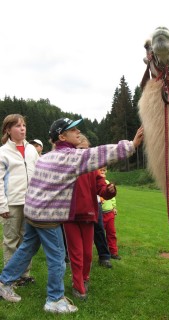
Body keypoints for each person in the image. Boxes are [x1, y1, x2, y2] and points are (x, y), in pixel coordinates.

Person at [0, 117, 143, 313]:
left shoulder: (47, 156)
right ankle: (54, 299)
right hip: (46, 217)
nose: (78, 132)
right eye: (73, 129)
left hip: (32, 212)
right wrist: (132, 145)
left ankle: (3, 282)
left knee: (26, 249)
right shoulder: (70, 158)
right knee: (58, 257)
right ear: (62, 136)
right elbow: (99, 154)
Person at [63, 134, 116, 300]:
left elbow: (102, 189)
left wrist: (109, 191)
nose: (83, 153)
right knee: (76, 253)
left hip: (89, 215)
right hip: (70, 217)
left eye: (86, 150)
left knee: (87, 254)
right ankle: (77, 285)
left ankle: (84, 278)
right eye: (80, 149)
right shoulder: (66, 166)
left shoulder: (93, 168)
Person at [0, 114, 39, 286]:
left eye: (23, 125)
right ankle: (10, 277)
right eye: (17, 126)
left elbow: (38, 173)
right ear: (8, 130)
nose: (22, 128)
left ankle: (24, 274)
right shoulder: (2, 152)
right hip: (11, 203)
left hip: (30, 202)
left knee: (27, 240)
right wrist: (2, 205)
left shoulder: (31, 149)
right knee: (10, 241)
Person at [99, 167, 121, 260]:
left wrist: (114, 207)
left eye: (104, 170)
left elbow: (112, 197)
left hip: (110, 213)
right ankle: (102, 254)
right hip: (100, 214)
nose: (103, 172)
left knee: (111, 233)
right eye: (101, 170)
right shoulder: (95, 183)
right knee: (99, 236)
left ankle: (114, 252)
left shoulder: (107, 183)